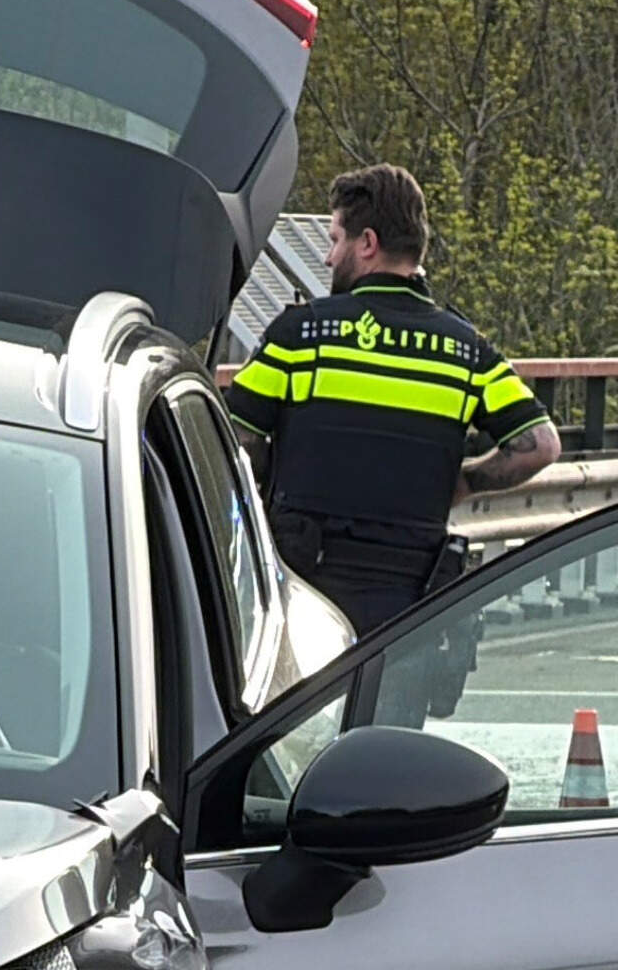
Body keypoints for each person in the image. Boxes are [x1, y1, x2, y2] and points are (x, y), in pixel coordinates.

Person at [223, 164, 561, 637]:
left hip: (306, 594)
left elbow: (237, 437)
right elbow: (540, 446)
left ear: (367, 244)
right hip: (408, 607)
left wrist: (266, 484)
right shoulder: (465, 351)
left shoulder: (301, 335)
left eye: (336, 238)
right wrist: (461, 483)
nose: (326, 256)